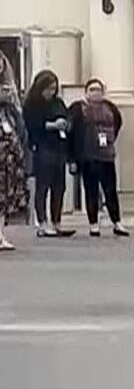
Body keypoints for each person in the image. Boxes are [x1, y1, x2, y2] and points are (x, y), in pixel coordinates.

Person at [67, 79, 126, 237]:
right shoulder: (78, 108)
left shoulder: (110, 108)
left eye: (98, 89)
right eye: (92, 89)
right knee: (91, 190)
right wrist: (72, 159)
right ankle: (93, 224)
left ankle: (117, 222)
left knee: (110, 190)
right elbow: (71, 133)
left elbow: (117, 124)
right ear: (86, 91)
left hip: (106, 156)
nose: (96, 92)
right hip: (88, 156)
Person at [22, 71, 74, 238]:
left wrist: (66, 124)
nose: (51, 92)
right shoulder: (32, 104)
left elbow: (66, 116)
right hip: (43, 146)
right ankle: (42, 223)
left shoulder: (58, 102)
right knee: (43, 186)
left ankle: (56, 221)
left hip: (59, 146)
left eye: (53, 88)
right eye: (48, 89)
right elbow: (32, 126)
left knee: (59, 186)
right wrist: (52, 125)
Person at [0, 55, 28, 251]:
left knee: (4, 194)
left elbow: (18, 116)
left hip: (8, 146)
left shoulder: (9, 90)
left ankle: (1, 233)